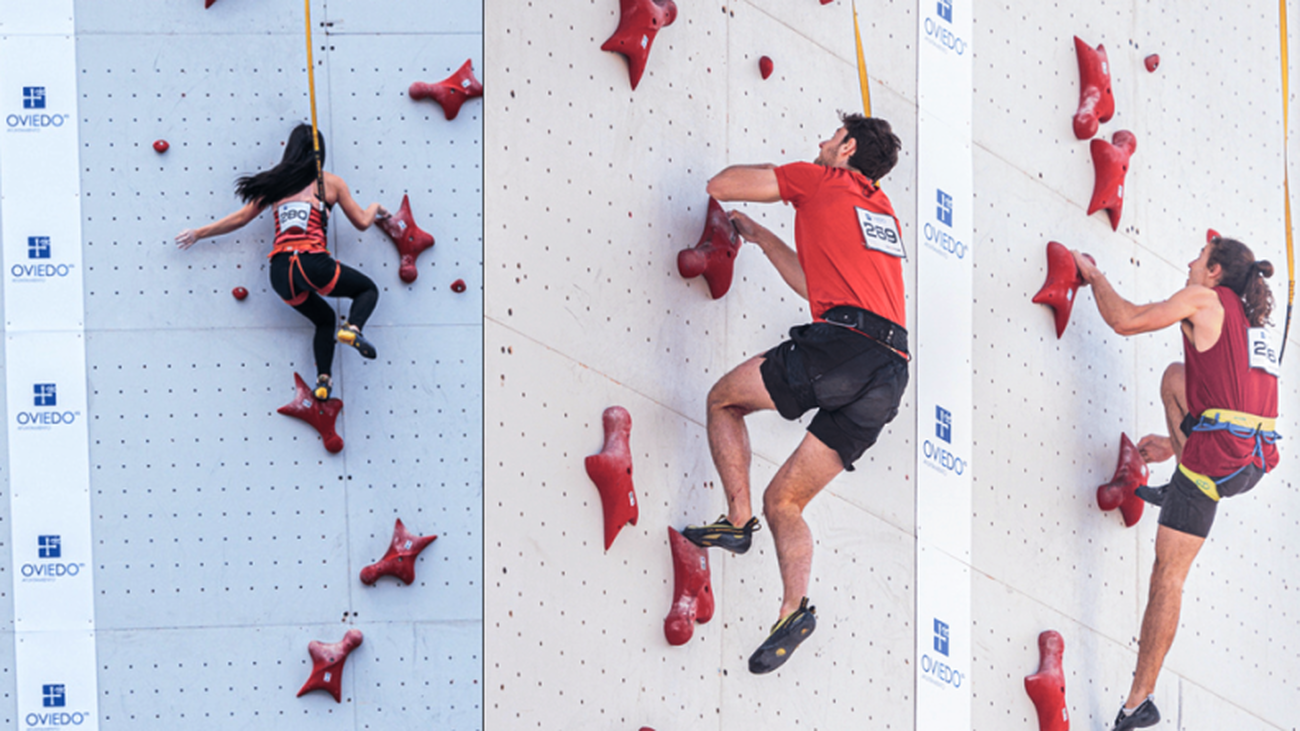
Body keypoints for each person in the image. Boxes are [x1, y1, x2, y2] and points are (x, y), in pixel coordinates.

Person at [681, 113, 908, 674]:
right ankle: (791, 610)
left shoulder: (821, 179)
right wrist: (762, 238)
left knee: (724, 400)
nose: (821, 141)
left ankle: (736, 521)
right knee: (785, 501)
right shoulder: (882, 212)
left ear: (847, 148)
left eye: (832, 137)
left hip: (845, 346)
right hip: (889, 371)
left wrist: (783, 177)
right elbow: (816, 286)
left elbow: (721, 184)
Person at [1071, 235, 1279, 731]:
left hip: (1216, 461)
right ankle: (1182, 470)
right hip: (1253, 456)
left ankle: (1137, 702)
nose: (1189, 262)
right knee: (1173, 379)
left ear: (1215, 271)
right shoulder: (1250, 322)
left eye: (1199, 258)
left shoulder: (1204, 299)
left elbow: (1126, 320)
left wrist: (1093, 276)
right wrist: (1174, 441)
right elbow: (1228, 391)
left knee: (1167, 575)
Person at [176, 123, 388, 400]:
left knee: (324, 320)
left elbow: (240, 218)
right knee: (367, 289)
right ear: (320, 151)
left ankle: (323, 382)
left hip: (281, 272)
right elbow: (361, 222)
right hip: (312, 263)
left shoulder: (277, 183)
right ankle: (353, 328)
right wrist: (375, 208)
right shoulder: (330, 183)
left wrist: (198, 233)